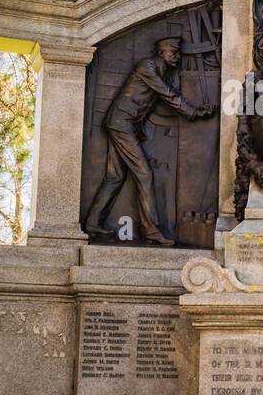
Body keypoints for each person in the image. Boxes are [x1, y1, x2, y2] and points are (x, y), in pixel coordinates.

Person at [83, 38, 215, 245]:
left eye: (178, 53)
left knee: (115, 177)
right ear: (161, 52)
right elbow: (167, 95)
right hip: (121, 124)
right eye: (174, 52)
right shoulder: (148, 67)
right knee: (144, 174)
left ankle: (92, 222)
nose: (178, 57)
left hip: (122, 124)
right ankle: (151, 230)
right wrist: (193, 111)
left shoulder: (160, 71)